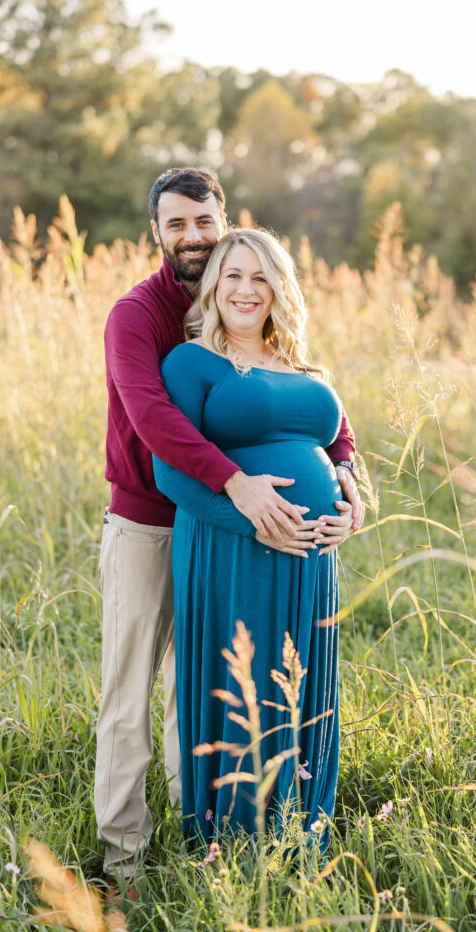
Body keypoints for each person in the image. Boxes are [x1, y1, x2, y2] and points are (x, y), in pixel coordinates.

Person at [95, 168, 363, 895]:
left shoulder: (255, 317)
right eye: (176, 224)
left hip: (259, 542)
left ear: (223, 223)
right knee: (130, 695)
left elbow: (323, 416)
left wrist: (346, 477)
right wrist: (241, 495)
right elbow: (156, 422)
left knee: (200, 691)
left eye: (203, 222)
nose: (192, 236)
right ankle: (124, 863)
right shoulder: (140, 316)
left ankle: (214, 840)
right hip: (152, 522)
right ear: (157, 232)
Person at [152, 227, 349, 844]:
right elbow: (170, 472)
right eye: (233, 275)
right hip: (232, 548)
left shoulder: (300, 364)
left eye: (260, 277)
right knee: (245, 685)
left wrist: (352, 503)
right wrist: (255, 522)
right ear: (214, 286)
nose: (246, 289)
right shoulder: (191, 362)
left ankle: (303, 831)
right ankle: (236, 843)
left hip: (311, 558)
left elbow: (338, 448)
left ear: (279, 288)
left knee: (303, 684)